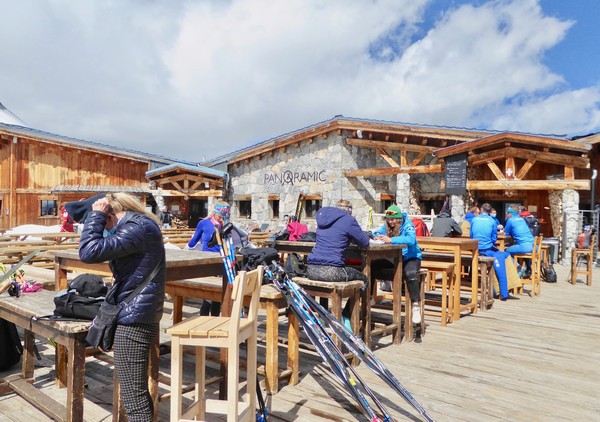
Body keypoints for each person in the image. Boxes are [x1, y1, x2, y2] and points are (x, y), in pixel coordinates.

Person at [78, 193, 166, 422]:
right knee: (136, 392)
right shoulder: (138, 225)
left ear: (109, 214)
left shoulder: (137, 227)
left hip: (134, 318)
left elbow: (88, 251)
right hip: (137, 311)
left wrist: (95, 216)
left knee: (133, 397)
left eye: (102, 222)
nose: (103, 228)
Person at [306, 200, 370, 326]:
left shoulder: (323, 219)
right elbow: (365, 243)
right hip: (332, 271)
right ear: (349, 212)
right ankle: (348, 315)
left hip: (311, 269)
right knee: (365, 280)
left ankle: (324, 317)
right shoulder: (349, 220)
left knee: (344, 273)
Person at [371, 204, 423, 324]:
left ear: (399, 219)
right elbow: (378, 232)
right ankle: (370, 297)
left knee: (410, 273)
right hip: (395, 258)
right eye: (388, 219)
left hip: (411, 257)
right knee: (373, 265)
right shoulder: (387, 226)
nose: (390, 222)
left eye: (393, 219)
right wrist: (376, 236)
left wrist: (392, 240)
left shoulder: (408, 225)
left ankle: (415, 305)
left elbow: (411, 240)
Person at [186, 201, 230, 315]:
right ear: (215, 213)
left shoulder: (225, 225)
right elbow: (193, 242)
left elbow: (192, 243)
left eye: (223, 217)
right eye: (220, 216)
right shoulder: (204, 223)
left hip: (221, 261)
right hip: (209, 261)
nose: (221, 219)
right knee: (208, 297)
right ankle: (204, 321)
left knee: (216, 297)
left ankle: (212, 322)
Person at [470, 203, 513, 300]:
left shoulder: (474, 219)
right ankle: (504, 291)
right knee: (502, 256)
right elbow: (494, 238)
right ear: (490, 212)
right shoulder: (492, 221)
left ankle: (499, 289)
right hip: (486, 249)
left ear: (481, 210)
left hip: (475, 248)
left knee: (501, 255)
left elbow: (471, 235)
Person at [504, 207, 534, 277]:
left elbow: (506, 232)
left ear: (510, 214)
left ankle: (519, 268)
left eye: (507, 213)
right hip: (533, 246)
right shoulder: (522, 219)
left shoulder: (510, 220)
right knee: (516, 248)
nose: (506, 214)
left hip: (524, 247)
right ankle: (528, 268)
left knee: (505, 252)